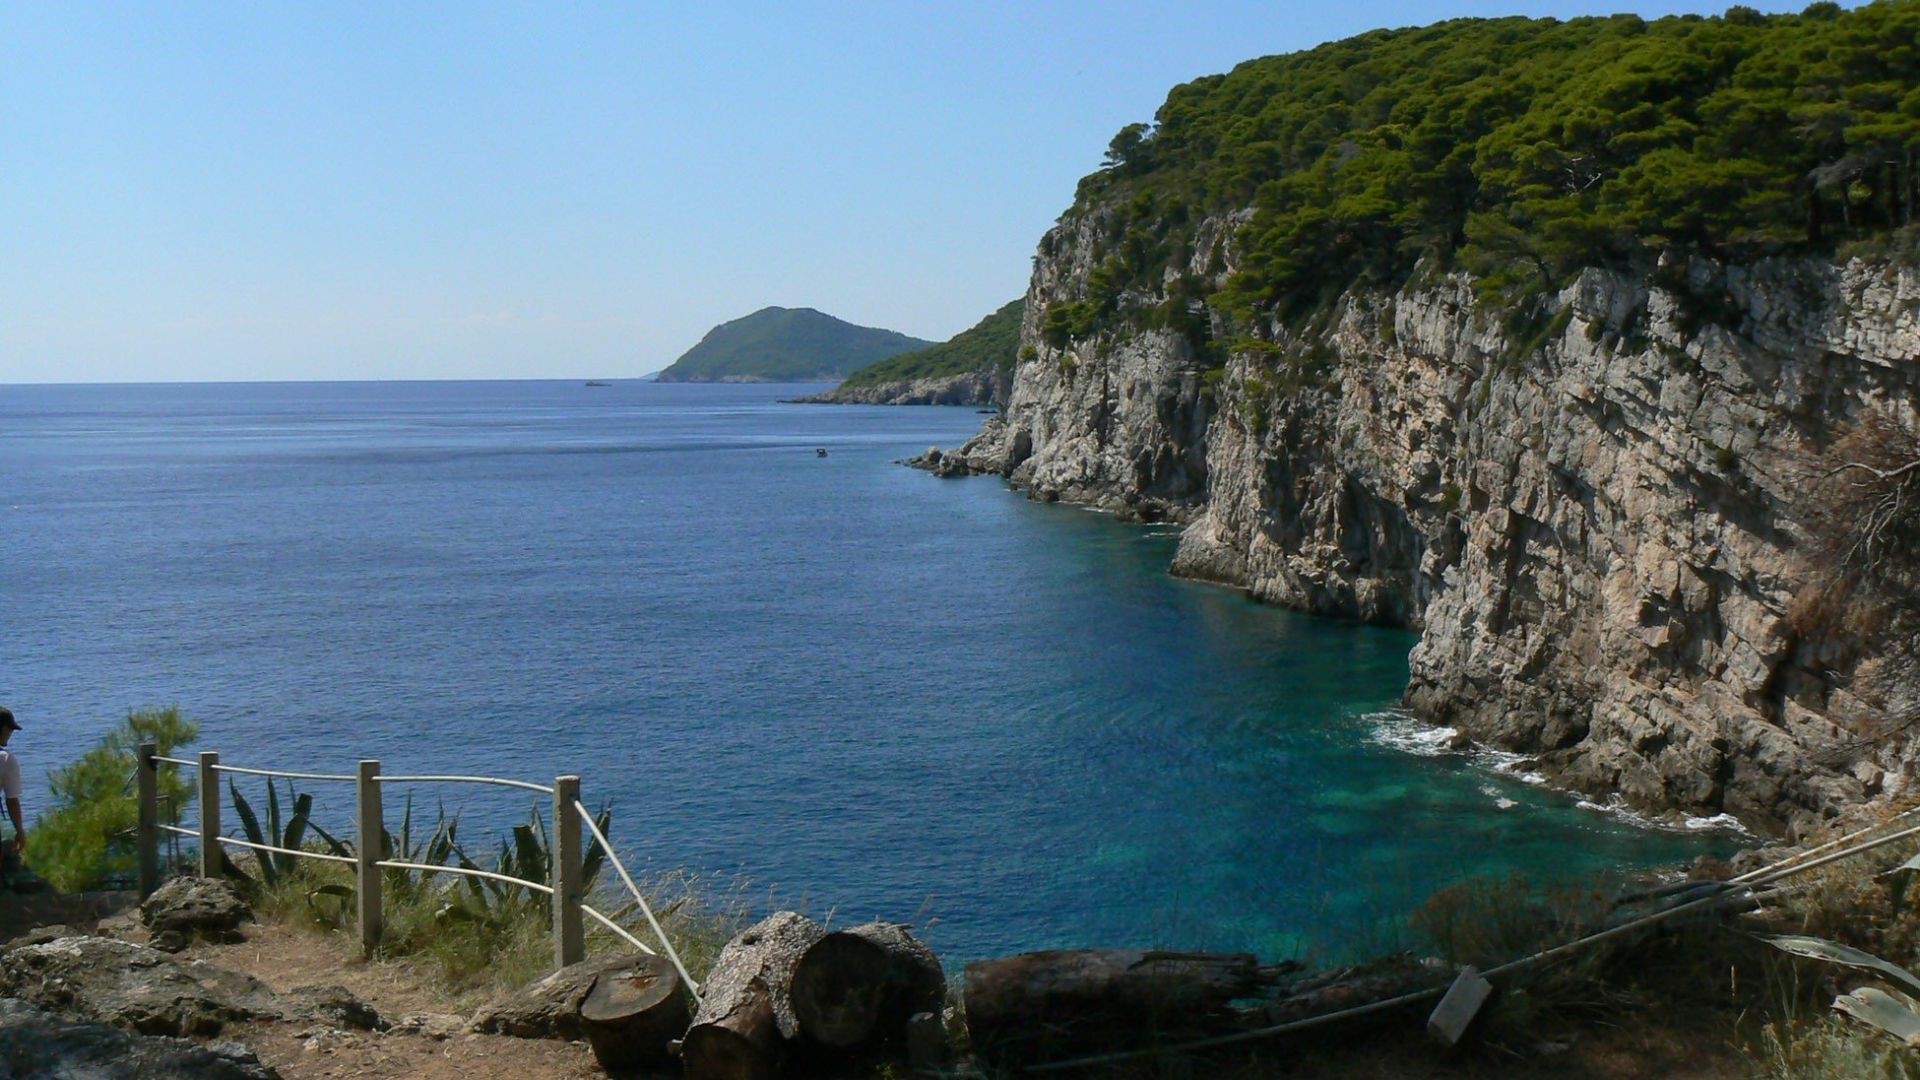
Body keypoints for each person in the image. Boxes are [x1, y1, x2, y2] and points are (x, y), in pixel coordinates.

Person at [0, 707, 22, 865]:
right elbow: (12, 800)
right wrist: (20, 831)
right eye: (10, 729)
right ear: (3, 729)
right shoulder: (5, 759)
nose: (11, 733)